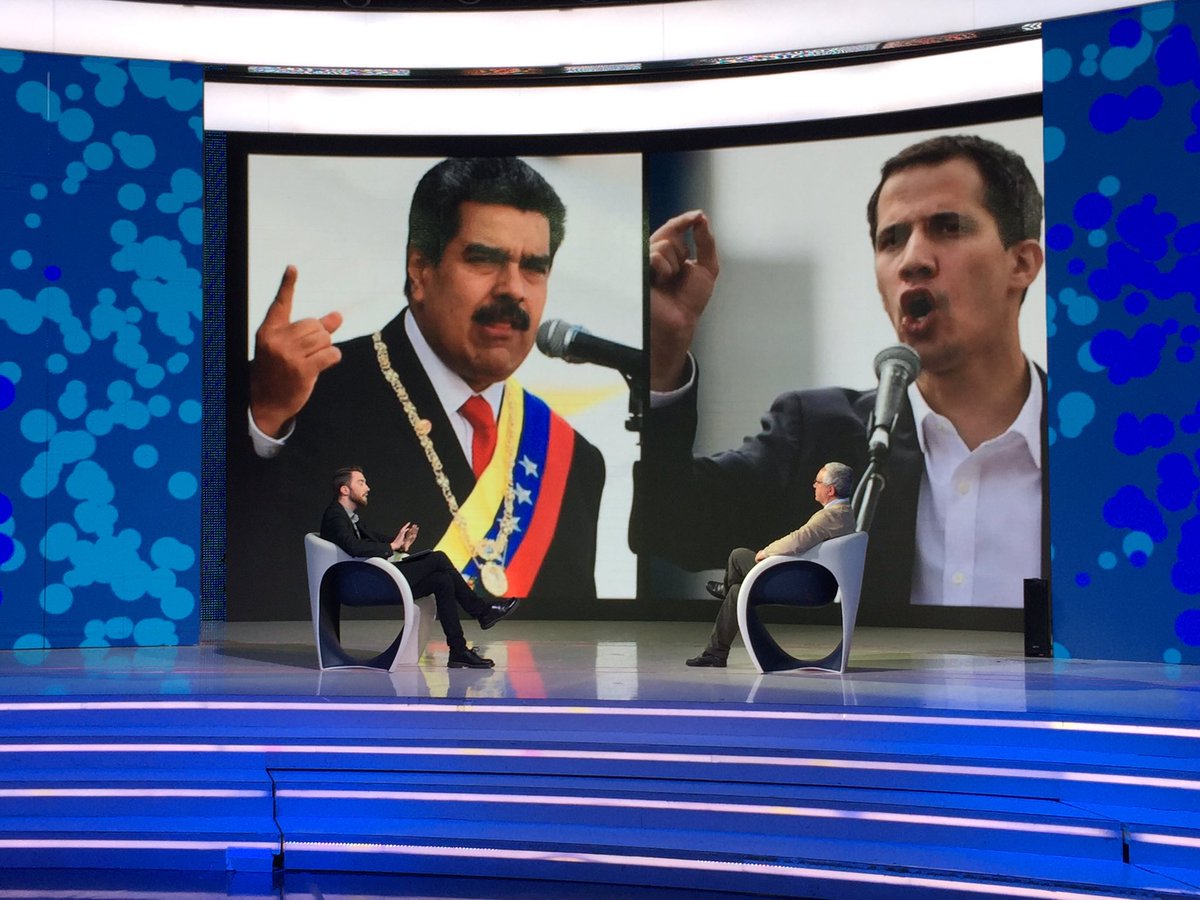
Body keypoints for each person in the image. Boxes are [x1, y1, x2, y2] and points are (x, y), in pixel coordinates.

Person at [634, 134, 1046, 624]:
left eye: (948, 227)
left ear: (1021, 263)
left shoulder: (1097, 457)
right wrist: (663, 353)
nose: (913, 259)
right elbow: (668, 524)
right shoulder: (820, 435)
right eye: (891, 240)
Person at [229, 157, 605, 616]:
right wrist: (264, 417)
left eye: (534, 267)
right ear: (420, 270)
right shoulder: (301, 398)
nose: (513, 289)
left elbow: (574, 637)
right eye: (484, 260)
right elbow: (238, 569)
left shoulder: (576, 463)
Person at [321, 466, 519, 668]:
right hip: (360, 585)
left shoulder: (349, 517)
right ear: (344, 489)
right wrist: (392, 546)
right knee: (438, 558)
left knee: (442, 580)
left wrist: (400, 544)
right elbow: (354, 547)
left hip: (369, 578)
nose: (367, 488)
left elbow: (371, 540)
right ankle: (481, 611)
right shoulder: (335, 516)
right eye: (361, 482)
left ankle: (458, 649)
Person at [687, 463, 856, 668]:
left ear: (830, 490)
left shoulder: (830, 516)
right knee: (737, 592)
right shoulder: (845, 513)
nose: (813, 485)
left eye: (818, 482)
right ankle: (715, 653)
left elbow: (797, 540)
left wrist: (766, 552)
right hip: (813, 582)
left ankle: (725, 590)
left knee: (738, 556)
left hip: (806, 587)